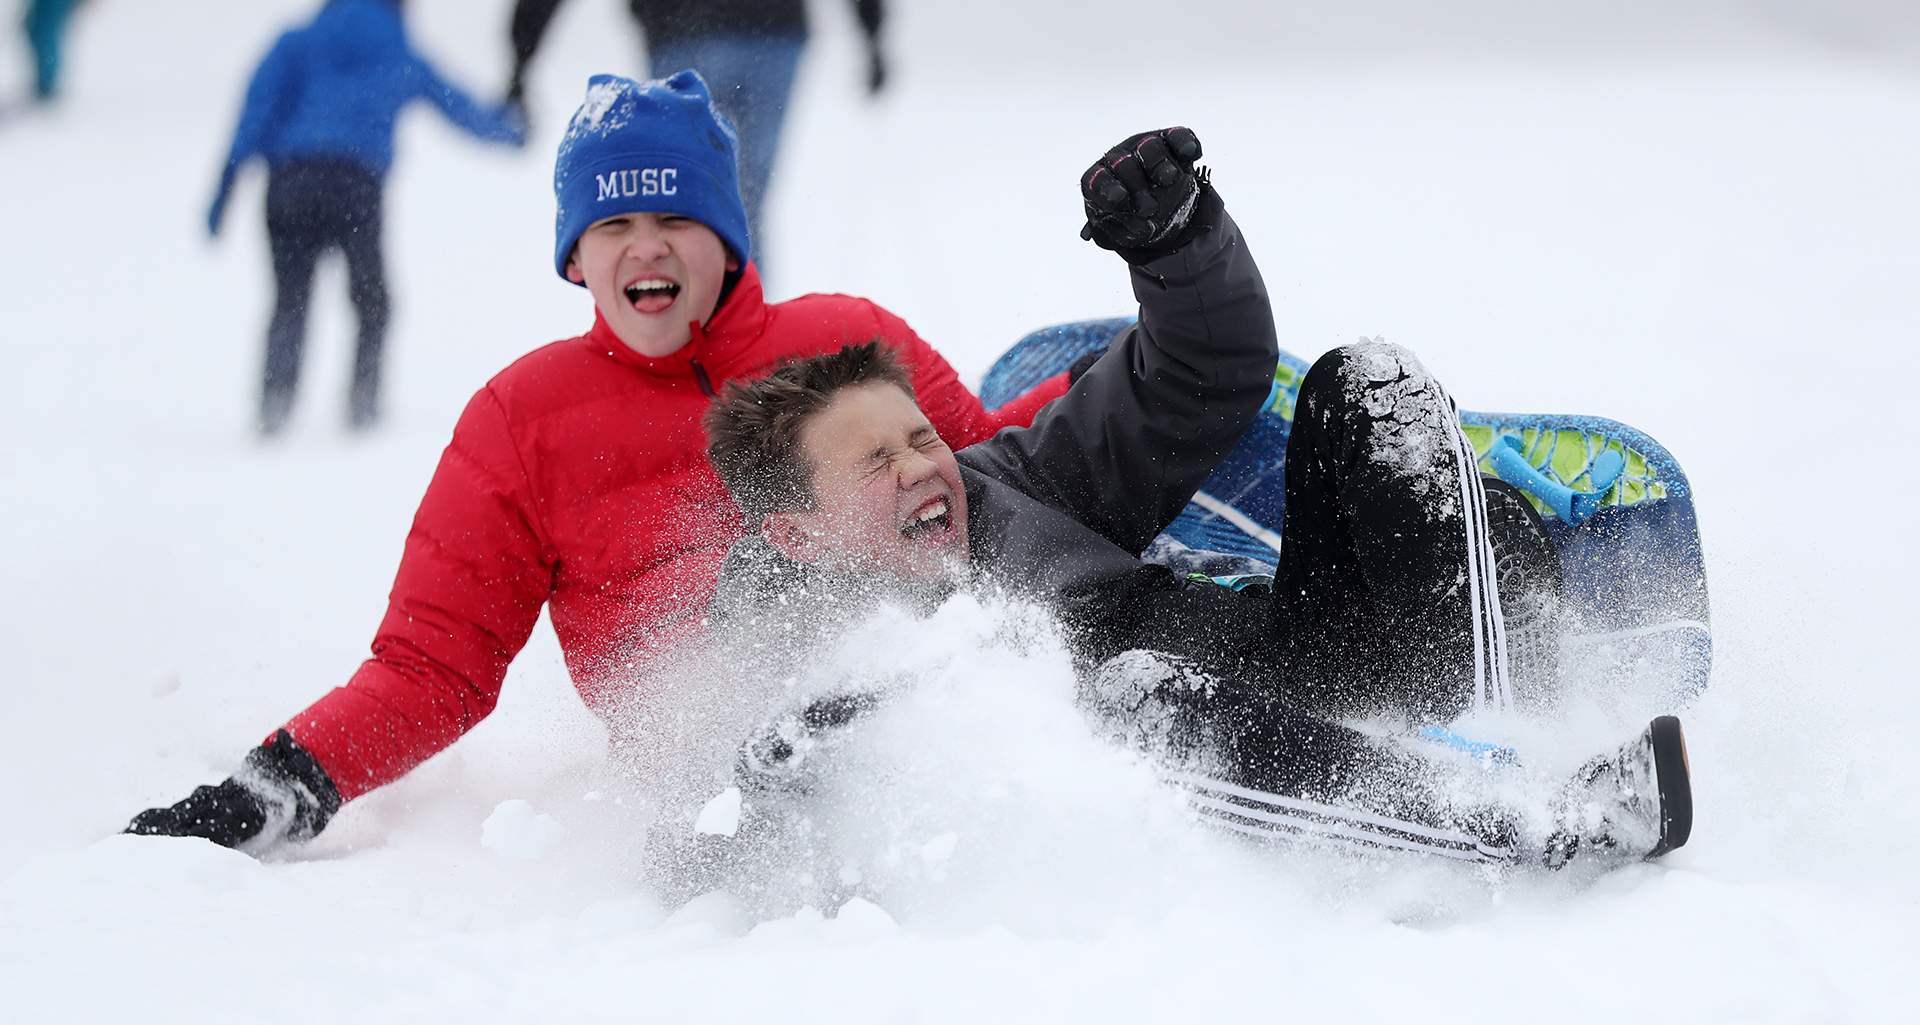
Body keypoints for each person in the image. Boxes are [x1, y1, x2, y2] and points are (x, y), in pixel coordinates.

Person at [699, 128, 1693, 872]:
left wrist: (1181, 244)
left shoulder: (1004, 485)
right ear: (797, 531)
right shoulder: (795, 634)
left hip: (1300, 665)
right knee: (1135, 685)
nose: (922, 465)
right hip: (1197, 789)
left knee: (1371, 381)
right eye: (875, 462)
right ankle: (1519, 825)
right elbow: (739, 808)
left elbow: (1199, 378)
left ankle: (1519, 733)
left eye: (920, 437)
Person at [127, 71, 1069, 853]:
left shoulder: (843, 339)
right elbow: (432, 667)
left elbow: (989, 466)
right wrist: (278, 783)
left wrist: (1151, 360)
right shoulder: (521, 419)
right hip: (716, 774)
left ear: (727, 240)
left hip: (938, 679)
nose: (646, 244)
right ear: (578, 254)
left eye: (676, 216)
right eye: (614, 224)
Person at [208, 0, 528, 435]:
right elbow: (455, 104)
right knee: (371, 299)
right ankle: (363, 402)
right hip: (353, 187)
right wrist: (510, 132)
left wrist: (226, 183)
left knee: (290, 299)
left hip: (290, 182)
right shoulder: (397, 50)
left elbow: (256, 108)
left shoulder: (298, 41)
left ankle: (275, 405)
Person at [505, 0, 886, 263]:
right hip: (773, 35)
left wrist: (523, 55)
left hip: (685, 31)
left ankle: (700, 342)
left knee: (683, 197)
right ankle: (748, 344)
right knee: (745, 201)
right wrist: (872, 34)